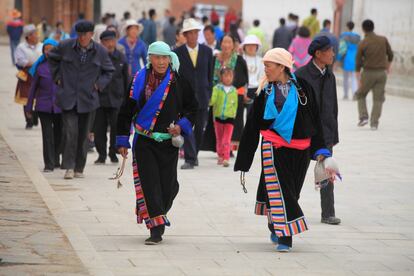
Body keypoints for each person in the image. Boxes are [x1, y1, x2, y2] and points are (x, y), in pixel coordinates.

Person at [234, 48, 330, 252]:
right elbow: (252, 126)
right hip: (273, 146)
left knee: (291, 192)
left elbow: (315, 119)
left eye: (268, 66)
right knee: (282, 189)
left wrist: (321, 148)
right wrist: (244, 160)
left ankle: (275, 224)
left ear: (281, 66)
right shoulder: (264, 91)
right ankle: (286, 236)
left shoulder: (303, 88)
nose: (265, 69)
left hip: (300, 148)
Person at [116, 41, 198, 245]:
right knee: (150, 184)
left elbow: (193, 109)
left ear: (169, 59)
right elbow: (125, 112)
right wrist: (122, 140)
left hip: (168, 143)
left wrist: (180, 126)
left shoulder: (179, 81)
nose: (161, 62)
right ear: (150, 58)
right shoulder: (138, 81)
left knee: (169, 186)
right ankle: (156, 228)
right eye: (157, 57)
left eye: (165, 58)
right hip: (144, 142)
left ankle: (158, 211)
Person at [48, 20, 114, 179]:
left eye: (85, 35)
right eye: (80, 35)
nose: (82, 38)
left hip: (89, 99)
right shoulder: (65, 46)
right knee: (70, 133)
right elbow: (51, 57)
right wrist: (57, 77)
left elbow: (109, 71)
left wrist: (98, 85)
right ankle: (69, 167)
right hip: (68, 97)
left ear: (91, 35)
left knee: (83, 135)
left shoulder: (100, 51)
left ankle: (79, 167)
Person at [295, 36, 340, 225]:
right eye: (330, 50)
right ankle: (290, 208)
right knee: (297, 173)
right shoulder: (301, 75)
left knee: (327, 172)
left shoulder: (330, 75)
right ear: (318, 53)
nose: (333, 54)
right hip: (306, 132)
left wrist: (333, 133)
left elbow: (334, 106)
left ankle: (328, 213)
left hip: (326, 133)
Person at [174, 18, 213, 170]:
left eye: (196, 32)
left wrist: (209, 92)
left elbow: (209, 75)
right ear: (185, 35)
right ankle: (189, 158)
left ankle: (194, 154)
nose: (193, 36)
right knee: (187, 126)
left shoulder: (207, 51)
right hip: (185, 97)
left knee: (200, 129)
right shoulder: (177, 53)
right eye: (189, 33)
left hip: (203, 96)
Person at [201, 34, 248, 154]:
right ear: (220, 44)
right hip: (217, 97)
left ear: (233, 45)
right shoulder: (214, 59)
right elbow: (208, 76)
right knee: (217, 124)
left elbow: (244, 79)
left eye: (229, 42)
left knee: (232, 124)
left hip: (233, 97)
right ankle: (219, 148)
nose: (226, 45)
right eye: (224, 42)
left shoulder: (239, 60)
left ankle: (229, 150)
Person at [25, 39, 61, 172]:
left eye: (51, 49)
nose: (49, 51)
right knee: (47, 136)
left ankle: (56, 158)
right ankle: (49, 164)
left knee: (59, 134)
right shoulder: (39, 68)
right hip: (43, 106)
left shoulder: (63, 67)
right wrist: (29, 107)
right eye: (46, 49)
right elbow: (32, 89)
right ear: (43, 51)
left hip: (60, 107)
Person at [94, 31, 129, 165]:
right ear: (101, 43)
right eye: (106, 41)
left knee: (116, 127)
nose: (109, 44)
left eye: (112, 41)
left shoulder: (121, 57)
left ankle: (113, 153)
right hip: (100, 99)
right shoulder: (97, 57)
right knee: (99, 128)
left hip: (117, 98)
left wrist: (127, 98)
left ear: (116, 41)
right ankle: (101, 155)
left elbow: (126, 78)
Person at [355, 19, 393, 130]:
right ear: (373, 27)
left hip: (368, 73)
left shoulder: (363, 42)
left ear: (363, 29)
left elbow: (358, 62)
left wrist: (358, 78)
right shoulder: (383, 39)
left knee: (360, 94)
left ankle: (363, 116)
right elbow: (390, 55)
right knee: (378, 99)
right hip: (382, 73)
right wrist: (388, 67)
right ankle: (374, 123)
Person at [14, 24, 43, 129]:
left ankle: (35, 114)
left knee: (40, 97)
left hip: (40, 75)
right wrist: (33, 63)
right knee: (26, 98)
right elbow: (20, 61)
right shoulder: (21, 47)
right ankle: (29, 119)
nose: (37, 36)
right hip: (27, 76)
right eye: (35, 34)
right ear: (29, 36)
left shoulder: (41, 46)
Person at [210, 67, 238, 167]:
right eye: (225, 75)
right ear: (221, 77)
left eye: (230, 75)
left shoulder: (234, 90)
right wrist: (209, 101)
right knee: (219, 138)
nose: (228, 78)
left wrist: (234, 113)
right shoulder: (217, 88)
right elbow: (212, 100)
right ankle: (220, 155)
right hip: (218, 117)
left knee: (226, 139)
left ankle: (226, 157)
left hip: (230, 118)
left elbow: (235, 104)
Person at [241, 34, 264, 115]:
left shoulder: (261, 60)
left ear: (257, 47)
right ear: (244, 47)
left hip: (255, 90)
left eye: (253, 45)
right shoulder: (241, 59)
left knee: (251, 114)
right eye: (248, 45)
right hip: (241, 89)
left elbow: (262, 77)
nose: (251, 47)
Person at [337, 21, 361, 100]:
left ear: (347, 27)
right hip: (355, 58)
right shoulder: (358, 37)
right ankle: (354, 93)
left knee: (346, 78)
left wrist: (338, 59)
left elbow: (342, 48)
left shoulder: (344, 36)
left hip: (346, 58)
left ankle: (346, 94)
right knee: (354, 77)